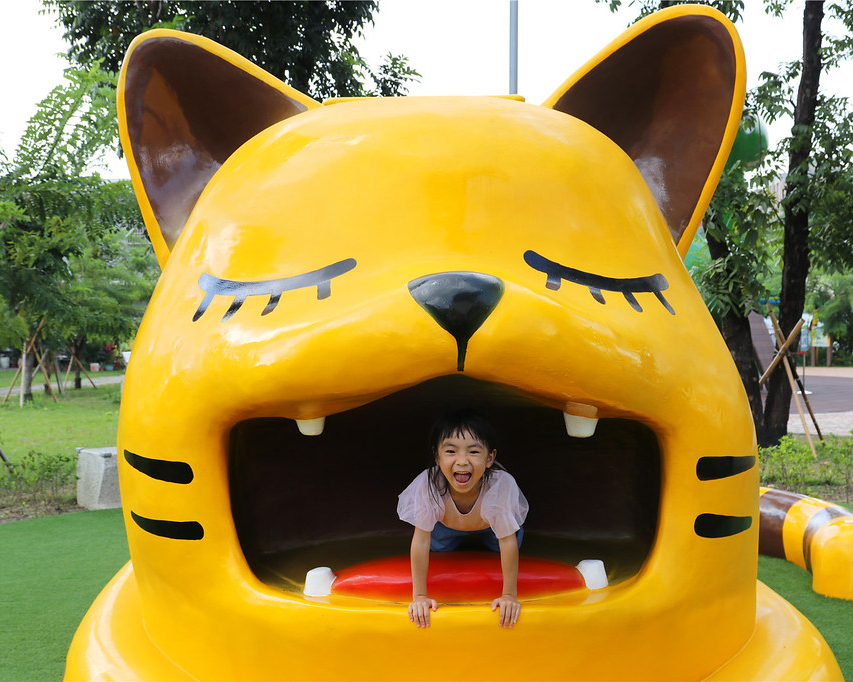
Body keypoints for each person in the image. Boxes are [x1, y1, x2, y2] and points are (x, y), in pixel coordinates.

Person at [397, 409, 528, 628]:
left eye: (474, 452)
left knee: (503, 544)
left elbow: (506, 541)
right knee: (438, 548)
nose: (462, 461)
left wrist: (509, 595)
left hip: (492, 528)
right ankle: (452, 541)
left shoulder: (500, 484)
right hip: (446, 527)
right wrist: (419, 595)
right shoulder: (429, 483)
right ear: (437, 457)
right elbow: (420, 540)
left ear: (490, 458)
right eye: (451, 451)